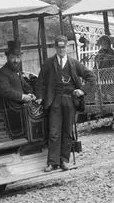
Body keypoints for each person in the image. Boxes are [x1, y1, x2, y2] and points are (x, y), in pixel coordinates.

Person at [37, 35, 95, 172]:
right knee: (54, 132)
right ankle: (52, 162)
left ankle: (64, 160)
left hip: (70, 100)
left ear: (67, 47)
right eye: (59, 47)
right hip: (54, 101)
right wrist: (40, 97)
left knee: (67, 132)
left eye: (64, 47)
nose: (61, 49)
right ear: (55, 47)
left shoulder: (74, 63)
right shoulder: (48, 63)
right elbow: (40, 82)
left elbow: (91, 77)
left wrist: (82, 91)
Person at [0, 41, 38, 109]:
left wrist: (30, 94)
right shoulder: (1, 73)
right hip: (12, 109)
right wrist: (23, 97)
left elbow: (26, 87)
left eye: (18, 57)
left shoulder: (17, 71)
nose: (16, 60)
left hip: (22, 107)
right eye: (13, 57)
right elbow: (4, 91)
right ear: (7, 57)